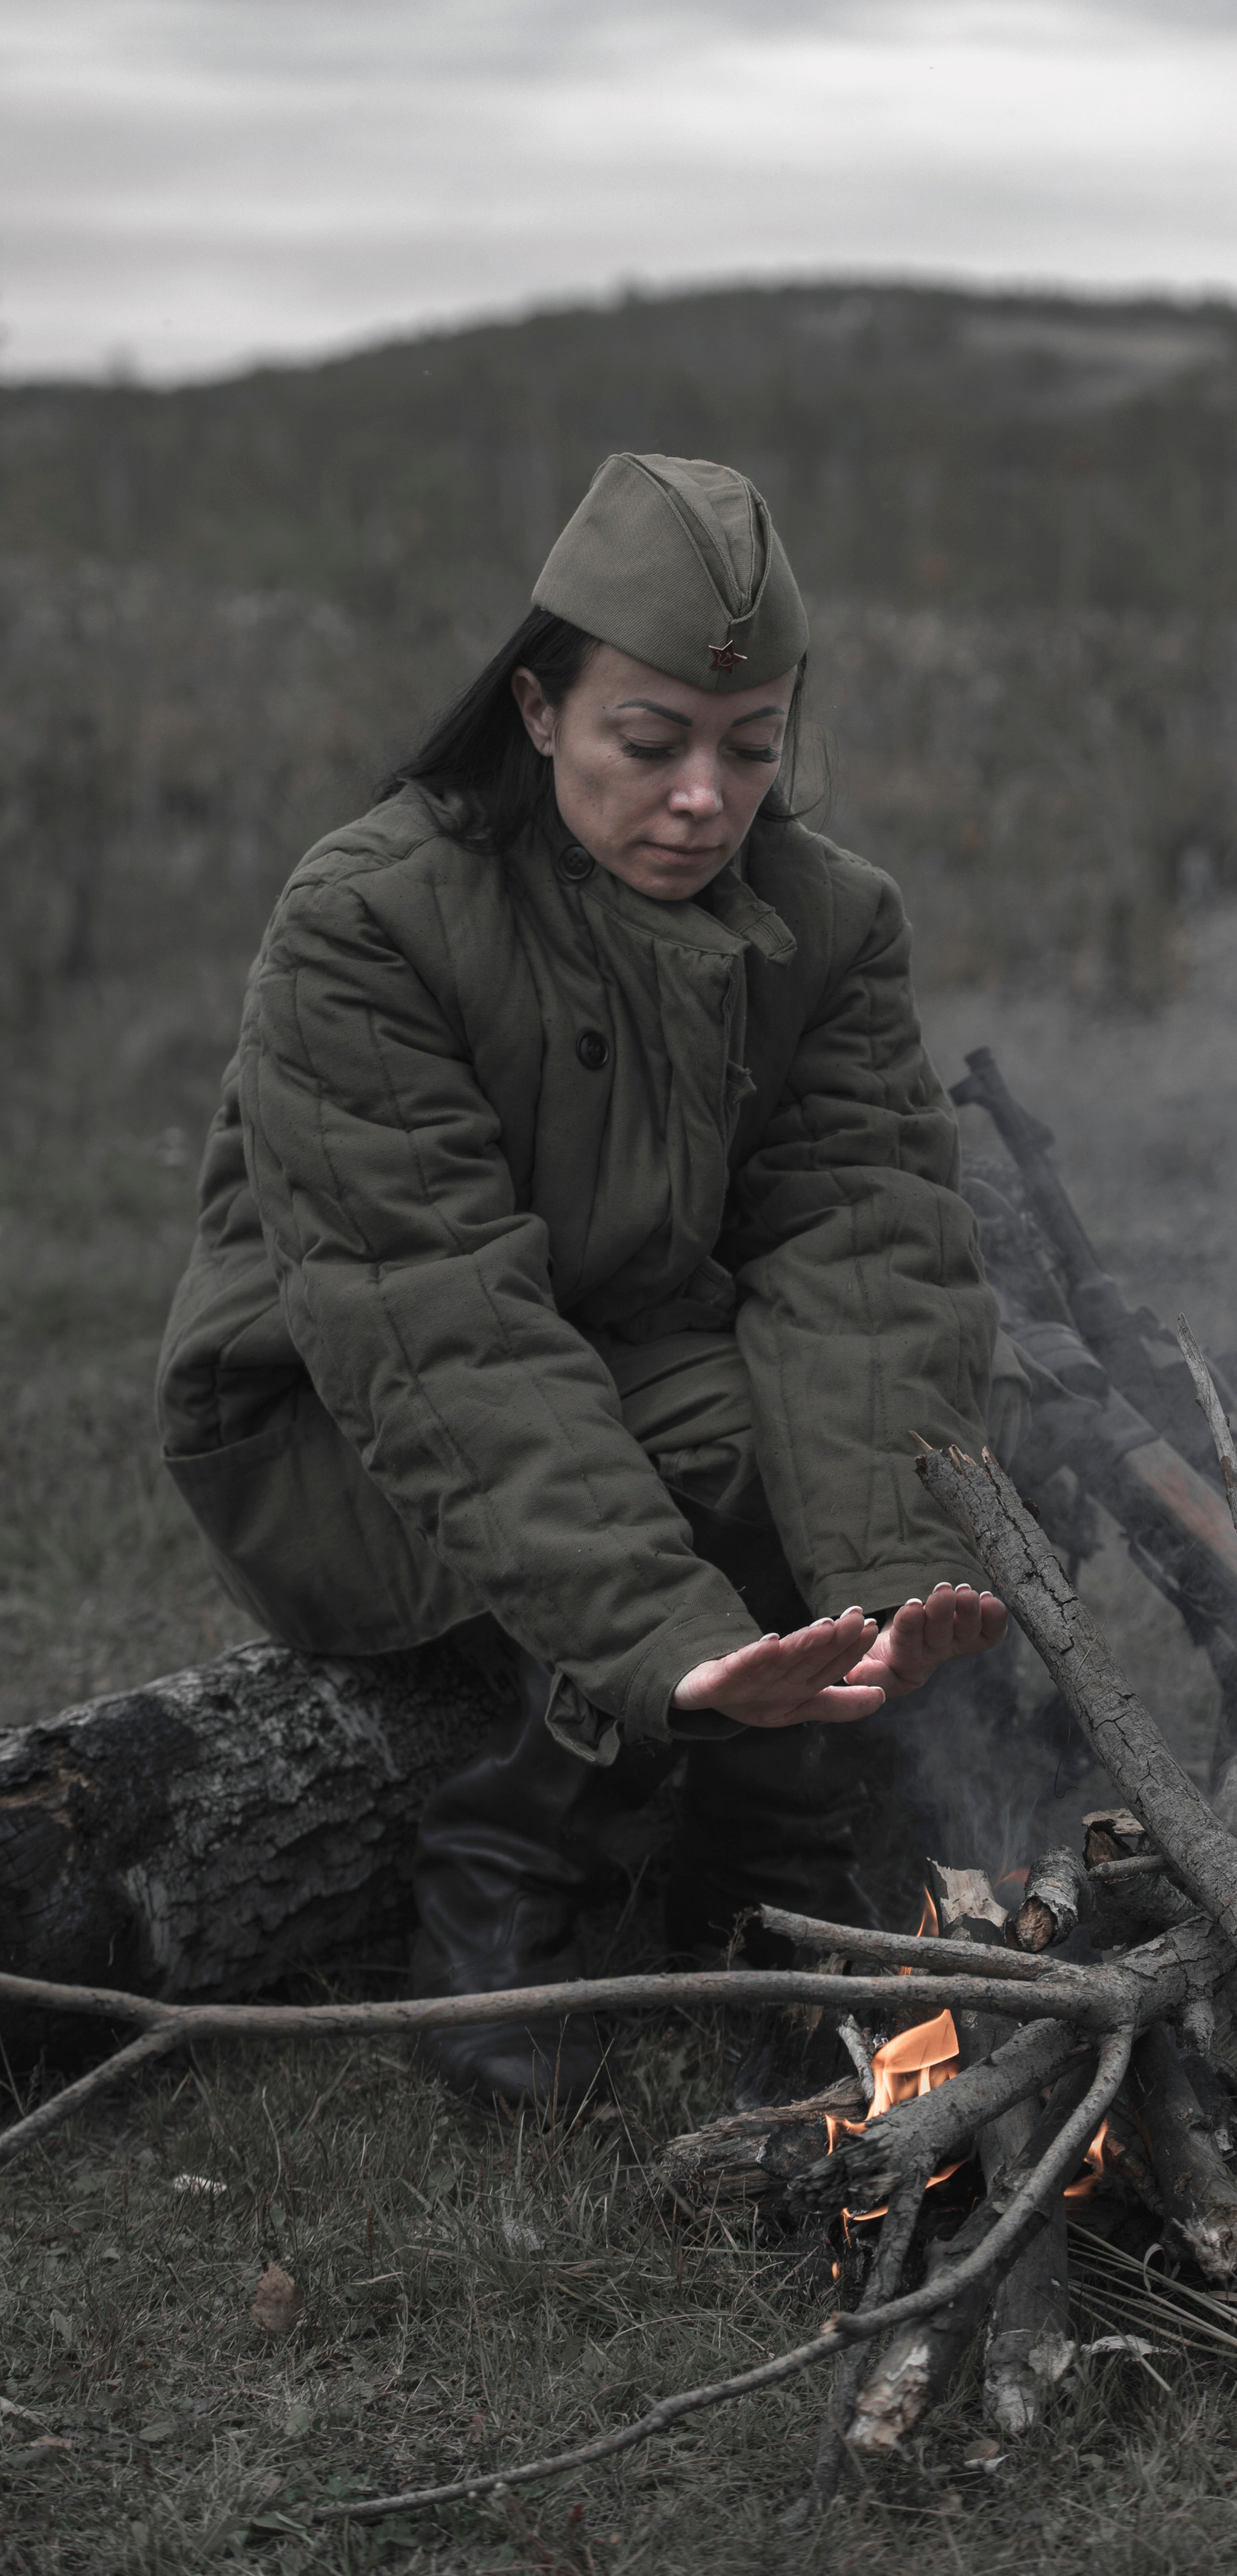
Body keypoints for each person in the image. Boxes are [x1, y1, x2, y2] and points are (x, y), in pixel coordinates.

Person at [156, 452, 1024, 2107]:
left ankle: (764, 1877)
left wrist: (898, 1579)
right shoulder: (371, 921)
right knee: (713, 1449)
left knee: (957, 1409)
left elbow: (868, 1247)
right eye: (649, 743)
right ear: (540, 707)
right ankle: (505, 1878)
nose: (703, 798)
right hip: (336, 1420)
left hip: (626, 1348)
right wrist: (665, 1639)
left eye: (749, 749)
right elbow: (433, 1318)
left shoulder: (831, 924)